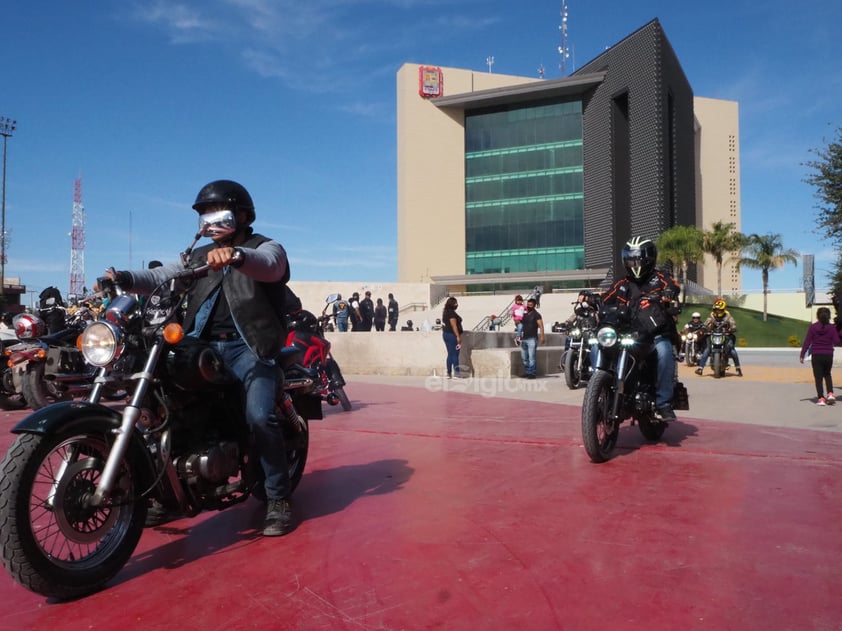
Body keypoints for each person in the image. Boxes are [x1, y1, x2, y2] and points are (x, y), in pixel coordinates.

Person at [102, 179, 296, 537]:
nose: (209, 221)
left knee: (259, 417)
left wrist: (238, 256)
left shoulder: (264, 247)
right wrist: (126, 277)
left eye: (217, 212)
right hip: (198, 346)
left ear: (241, 215)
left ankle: (277, 497)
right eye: (205, 215)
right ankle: (165, 493)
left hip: (248, 347)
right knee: (164, 408)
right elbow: (162, 276)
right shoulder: (196, 256)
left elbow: (270, 265)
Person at [601, 236, 681, 421]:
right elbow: (605, 298)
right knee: (600, 343)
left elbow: (673, 286)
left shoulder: (661, 278)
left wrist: (667, 293)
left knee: (665, 352)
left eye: (637, 259)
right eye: (630, 259)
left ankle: (663, 404)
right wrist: (589, 299)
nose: (633, 263)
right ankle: (601, 385)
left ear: (648, 259)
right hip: (627, 332)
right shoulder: (621, 284)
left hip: (654, 334)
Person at [800, 306, 840, 405]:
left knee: (818, 377)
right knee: (827, 374)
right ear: (829, 316)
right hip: (828, 355)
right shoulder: (832, 328)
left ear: (817, 316)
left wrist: (802, 354)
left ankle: (821, 398)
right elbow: (836, 341)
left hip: (816, 354)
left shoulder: (813, 327)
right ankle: (830, 393)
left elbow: (807, 342)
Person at [695, 298, 743, 377]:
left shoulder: (728, 317)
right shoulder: (711, 317)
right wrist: (703, 329)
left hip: (726, 336)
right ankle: (700, 368)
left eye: (719, 310)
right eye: (716, 310)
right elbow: (705, 324)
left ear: (723, 310)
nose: (718, 311)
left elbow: (733, 324)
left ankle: (738, 369)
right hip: (714, 335)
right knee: (707, 350)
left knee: (732, 351)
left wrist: (732, 329)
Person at [519, 298, 545, 379]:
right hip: (524, 338)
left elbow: (541, 326)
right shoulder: (524, 314)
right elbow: (519, 324)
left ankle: (532, 373)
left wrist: (542, 336)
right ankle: (527, 372)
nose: (529, 306)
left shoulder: (537, 315)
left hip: (532, 339)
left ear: (534, 305)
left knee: (531, 357)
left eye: (531, 304)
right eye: (528, 304)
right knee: (524, 357)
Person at [441, 297, 463, 378]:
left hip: (446, 334)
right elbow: (454, 326)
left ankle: (449, 373)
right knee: (455, 355)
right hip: (452, 335)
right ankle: (457, 373)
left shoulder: (446, 312)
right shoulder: (451, 313)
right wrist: (458, 336)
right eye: (455, 303)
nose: (457, 305)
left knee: (450, 354)